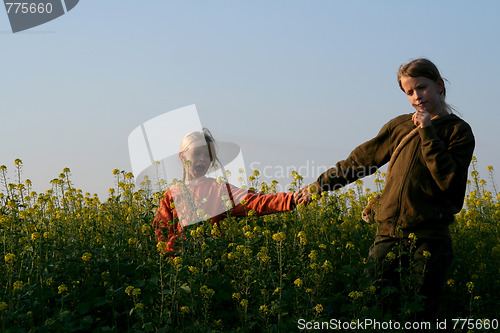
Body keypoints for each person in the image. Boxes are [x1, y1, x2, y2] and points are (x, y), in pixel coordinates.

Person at [296, 58, 475, 321]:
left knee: (420, 316)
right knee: (375, 309)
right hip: (389, 232)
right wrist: (320, 185)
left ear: (439, 85)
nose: (417, 96)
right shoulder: (400, 126)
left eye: (422, 87)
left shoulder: (458, 132)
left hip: (429, 238)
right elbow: (360, 161)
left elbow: (448, 179)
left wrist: (427, 132)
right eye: (409, 92)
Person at [153, 128, 298, 255]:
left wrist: (292, 199)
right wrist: (183, 246)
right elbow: (162, 236)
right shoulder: (170, 196)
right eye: (197, 153)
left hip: (212, 267)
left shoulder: (218, 189)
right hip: (180, 271)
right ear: (182, 157)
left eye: (207, 155)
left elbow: (255, 201)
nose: (203, 159)